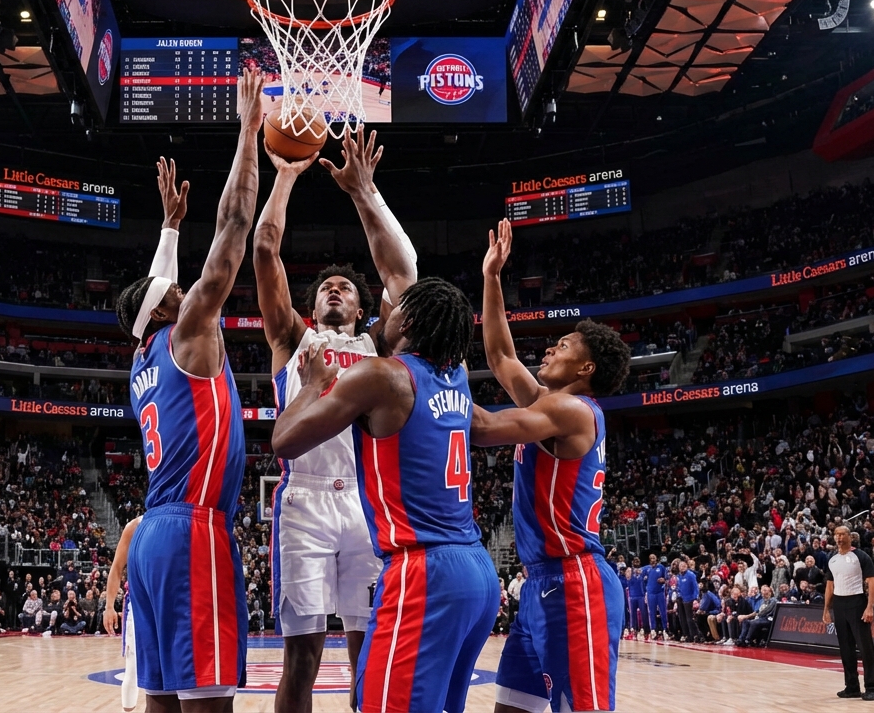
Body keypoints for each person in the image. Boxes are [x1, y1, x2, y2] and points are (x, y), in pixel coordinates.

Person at [272, 276, 499, 713]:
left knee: (383, 699)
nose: (386, 312)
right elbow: (495, 426)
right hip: (474, 565)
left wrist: (314, 385)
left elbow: (284, 441)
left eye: (395, 308)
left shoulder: (380, 374)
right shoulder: (456, 380)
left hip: (419, 564)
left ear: (407, 321)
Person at [253, 124, 416, 713]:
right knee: (301, 660)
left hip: (367, 505)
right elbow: (265, 251)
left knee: (367, 657)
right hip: (305, 502)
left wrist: (366, 193)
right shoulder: (292, 340)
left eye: (345, 287)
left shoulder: (379, 346)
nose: (335, 290)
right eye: (326, 287)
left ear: (362, 305)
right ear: (314, 303)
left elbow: (404, 277)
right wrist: (284, 177)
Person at [116, 68, 264, 712]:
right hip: (193, 530)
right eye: (174, 291)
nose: (183, 288)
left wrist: (170, 228)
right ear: (164, 310)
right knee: (207, 700)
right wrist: (248, 132)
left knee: (161, 698)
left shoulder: (143, 358)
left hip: (153, 534)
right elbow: (233, 227)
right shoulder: (189, 333)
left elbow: (155, 291)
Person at [468, 220, 633, 713]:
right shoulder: (550, 404)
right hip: (541, 584)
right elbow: (501, 355)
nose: (549, 349)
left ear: (586, 369)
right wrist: (491, 277)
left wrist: (422, 386)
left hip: (575, 583)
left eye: (562, 346)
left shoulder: (570, 410)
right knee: (512, 708)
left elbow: (484, 428)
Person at [823, 524, 874, 701]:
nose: (839, 537)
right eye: (836, 534)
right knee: (845, 648)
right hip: (839, 604)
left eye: (842, 534)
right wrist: (826, 609)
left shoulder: (860, 556)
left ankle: (871, 687)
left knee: (865, 647)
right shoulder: (832, 559)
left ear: (850, 537)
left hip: (857, 602)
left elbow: (872, 581)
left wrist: (870, 606)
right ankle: (852, 687)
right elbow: (830, 586)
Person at [104, 515, 144, 713]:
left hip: (168, 602)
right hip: (138, 603)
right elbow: (117, 567)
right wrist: (109, 606)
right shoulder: (135, 526)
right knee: (133, 666)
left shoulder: (180, 521)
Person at [642, 553, 668, 640]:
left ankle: (665, 629)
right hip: (651, 593)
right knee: (651, 612)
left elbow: (666, 578)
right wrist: (646, 590)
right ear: (649, 560)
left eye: (654, 558)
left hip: (660, 592)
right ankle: (653, 630)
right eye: (651, 558)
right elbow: (641, 578)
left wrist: (664, 580)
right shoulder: (646, 568)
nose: (653, 559)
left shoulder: (661, 567)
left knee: (663, 611)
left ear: (656, 558)